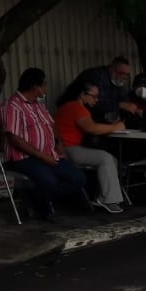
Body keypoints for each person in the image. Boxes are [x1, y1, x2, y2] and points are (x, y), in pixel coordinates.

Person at [0, 67, 87, 221]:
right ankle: (43, 210)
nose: (45, 88)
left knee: (78, 178)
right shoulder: (12, 107)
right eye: (44, 84)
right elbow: (15, 139)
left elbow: (52, 125)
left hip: (49, 154)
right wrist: (42, 157)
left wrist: (58, 143)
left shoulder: (39, 105)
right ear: (35, 87)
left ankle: (37, 197)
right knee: (49, 180)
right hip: (23, 158)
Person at [54, 79, 125, 213]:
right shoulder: (77, 108)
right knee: (105, 158)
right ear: (83, 95)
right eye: (94, 96)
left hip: (63, 148)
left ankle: (101, 196)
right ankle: (108, 199)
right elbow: (91, 128)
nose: (96, 100)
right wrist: (116, 127)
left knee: (112, 160)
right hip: (68, 149)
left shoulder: (67, 106)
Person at [76, 56, 137, 124]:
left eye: (127, 74)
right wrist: (120, 105)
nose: (124, 77)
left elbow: (123, 98)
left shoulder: (117, 80)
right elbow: (95, 102)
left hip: (97, 120)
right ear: (112, 69)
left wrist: (133, 108)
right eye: (121, 73)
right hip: (80, 116)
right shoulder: (97, 76)